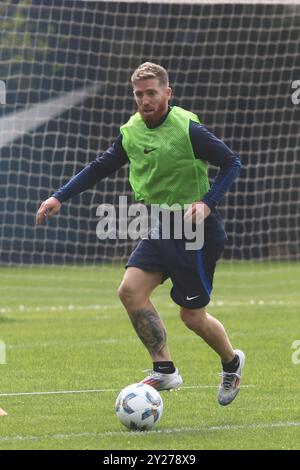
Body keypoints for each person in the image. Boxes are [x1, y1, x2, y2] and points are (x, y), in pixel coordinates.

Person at [36, 62, 245, 406]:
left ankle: (231, 361)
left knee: (191, 316)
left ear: (167, 93)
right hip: (162, 224)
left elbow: (231, 162)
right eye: (139, 94)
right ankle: (164, 369)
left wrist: (207, 202)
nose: (145, 100)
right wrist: (59, 196)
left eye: (151, 93)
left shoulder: (187, 129)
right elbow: (100, 166)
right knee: (130, 291)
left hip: (196, 232)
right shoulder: (132, 131)